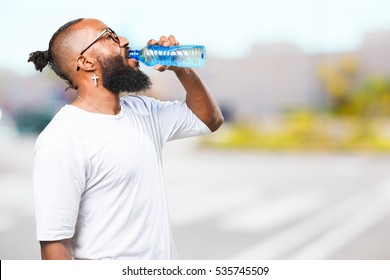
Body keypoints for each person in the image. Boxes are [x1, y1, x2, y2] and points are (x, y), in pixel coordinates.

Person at [28, 18, 223, 260]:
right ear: (86, 61)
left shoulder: (144, 110)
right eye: (109, 36)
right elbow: (54, 247)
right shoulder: (62, 139)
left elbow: (209, 119)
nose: (124, 41)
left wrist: (181, 67)